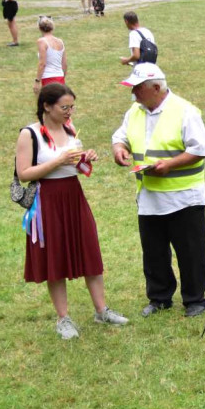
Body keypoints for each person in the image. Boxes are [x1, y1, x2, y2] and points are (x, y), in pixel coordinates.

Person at [16, 83, 130, 339]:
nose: (69, 112)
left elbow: (76, 168)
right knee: (54, 256)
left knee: (89, 248)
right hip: (47, 200)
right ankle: (63, 319)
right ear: (47, 106)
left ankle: (101, 310)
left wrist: (84, 159)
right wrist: (58, 161)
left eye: (72, 107)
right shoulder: (29, 134)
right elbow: (24, 174)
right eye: (64, 107)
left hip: (73, 196)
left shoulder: (70, 129)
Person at [111, 63, 205, 318]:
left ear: (156, 87)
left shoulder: (185, 111)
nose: (133, 94)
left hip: (183, 196)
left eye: (137, 89)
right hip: (149, 195)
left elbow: (200, 149)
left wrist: (170, 164)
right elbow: (120, 136)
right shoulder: (135, 111)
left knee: (190, 251)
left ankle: (195, 299)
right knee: (154, 251)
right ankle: (159, 297)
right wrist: (119, 149)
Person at [35, 16, 67, 93]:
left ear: (39, 28)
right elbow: (64, 64)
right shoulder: (60, 42)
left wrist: (37, 80)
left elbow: (42, 64)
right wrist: (62, 77)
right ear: (52, 28)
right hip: (60, 77)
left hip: (48, 77)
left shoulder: (42, 41)